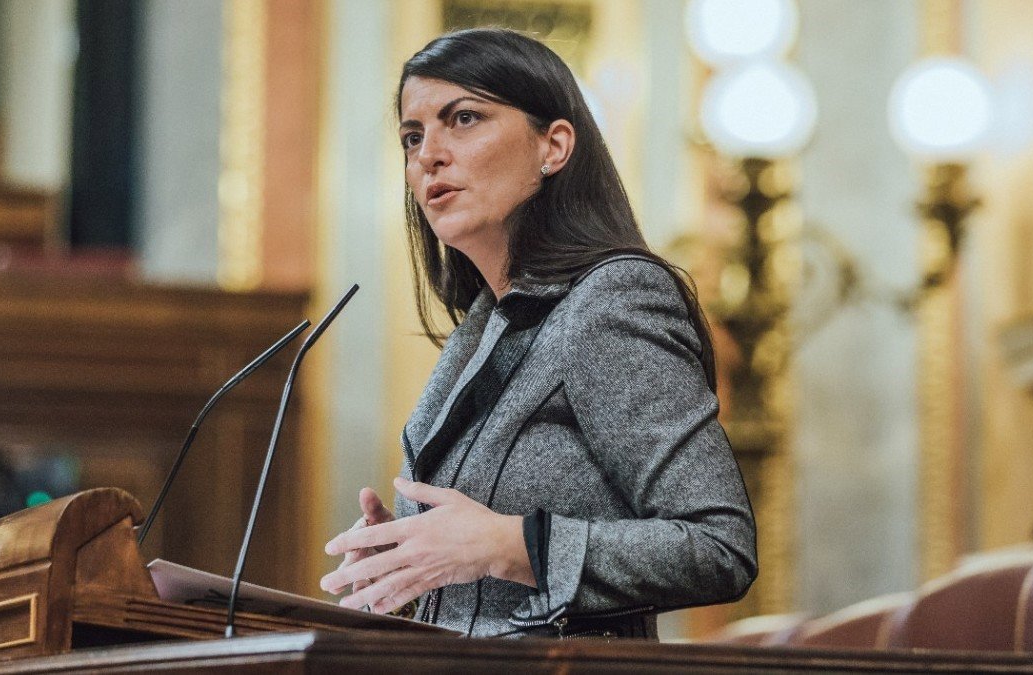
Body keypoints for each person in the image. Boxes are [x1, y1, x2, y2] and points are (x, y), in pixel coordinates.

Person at [320, 27, 756, 639]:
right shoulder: (486, 327)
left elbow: (719, 546)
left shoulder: (613, 299)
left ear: (553, 146)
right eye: (412, 137)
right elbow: (488, 579)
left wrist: (509, 545)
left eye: (464, 119)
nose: (428, 155)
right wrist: (413, 567)